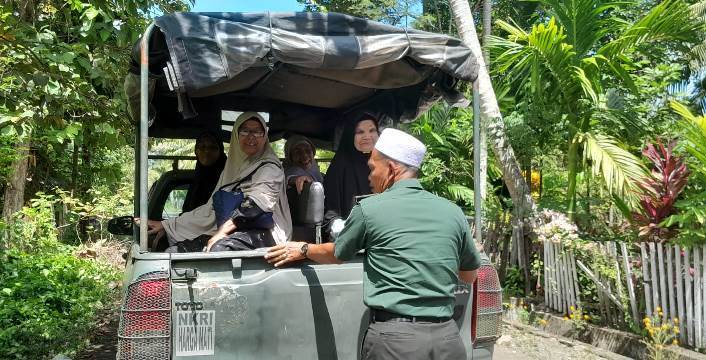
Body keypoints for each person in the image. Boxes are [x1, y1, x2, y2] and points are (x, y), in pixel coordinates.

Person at [265, 128, 481, 360]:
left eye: (372, 168)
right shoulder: (453, 212)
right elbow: (469, 276)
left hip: (395, 343)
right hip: (447, 339)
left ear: (391, 169)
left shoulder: (369, 209)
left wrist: (303, 249)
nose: (369, 177)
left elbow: (337, 253)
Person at [147, 112, 292, 252]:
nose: (251, 137)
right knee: (176, 250)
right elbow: (209, 210)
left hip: (266, 232)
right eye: (245, 131)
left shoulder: (270, 167)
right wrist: (167, 225)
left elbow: (256, 206)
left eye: (258, 132)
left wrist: (222, 232)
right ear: (236, 134)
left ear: (265, 136)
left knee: (217, 249)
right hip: (235, 229)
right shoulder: (232, 169)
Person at [323, 113, 379, 221]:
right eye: (360, 132)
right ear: (350, 135)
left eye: (372, 130)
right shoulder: (340, 165)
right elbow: (331, 210)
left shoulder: (384, 163)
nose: (367, 136)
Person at [181, 131, 227, 213]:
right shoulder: (196, 180)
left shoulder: (228, 179)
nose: (207, 152)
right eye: (202, 147)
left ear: (220, 151)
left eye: (212, 147)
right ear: (196, 151)